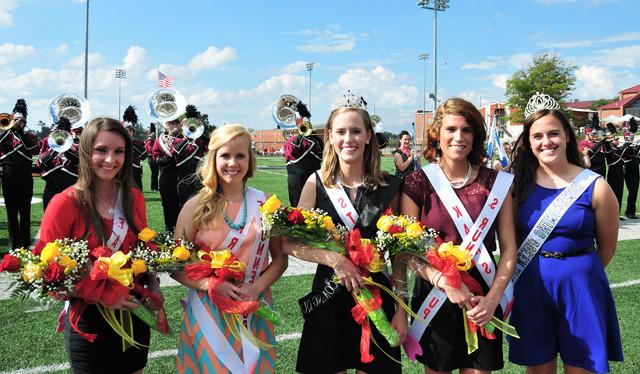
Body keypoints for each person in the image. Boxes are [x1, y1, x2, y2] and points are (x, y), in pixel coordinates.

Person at [282, 92, 403, 373]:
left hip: (377, 293)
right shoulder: (316, 183)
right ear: (330, 138)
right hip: (328, 294)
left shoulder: (390, 187)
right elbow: (289, 243)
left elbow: (400, 256)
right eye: (341, 132)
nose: (348, 139)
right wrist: (334, 259)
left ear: (369, 136)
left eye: (356, 131)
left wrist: (401, 310)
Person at [399, 97, 517, 373]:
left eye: (466, 130)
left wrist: (492, 298)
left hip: (483, 293)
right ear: (436, 134)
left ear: (475, 136)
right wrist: (444, 282)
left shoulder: (496, 183)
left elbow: (509, 247)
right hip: (436, 292)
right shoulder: (417, 183)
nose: (458, 137)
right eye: (451, 129)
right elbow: (406, 251)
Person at [35, 117, 162, 373]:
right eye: (101, 150)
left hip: (133, 309)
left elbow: (142, 249)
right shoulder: (64, 203)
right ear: (85, 151)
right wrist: (101, 294)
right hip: (88, 322)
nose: (110, 159)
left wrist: (154, 284)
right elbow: (46, 275)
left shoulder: (134, 197)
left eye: (119, 151)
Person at [508, 94, 623, 373]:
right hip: (531, 286)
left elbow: (607, 249)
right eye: (538, 136)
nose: (546, 142)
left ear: (567, 137)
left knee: (582, 367)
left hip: (581, 285)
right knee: (539, 368)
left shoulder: (595, 185)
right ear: (528, 142)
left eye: (553, 134)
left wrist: (574, 270)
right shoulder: (517, 185)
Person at [172, 124, 287, 373]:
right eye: (225, 155)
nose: (232, 163)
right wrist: (210, 284)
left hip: (254, 305)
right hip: (209, 310)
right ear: (213, 158)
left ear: (250, 159)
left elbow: (280, 259)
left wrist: (256, 288)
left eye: (240, 155)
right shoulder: (195, 206)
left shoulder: (267, 203)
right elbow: (175, 265)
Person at [0, 99, 39, 249]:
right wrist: (9, 129)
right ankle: (13, 243)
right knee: (11, 213)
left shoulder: (29, 137)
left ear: (25, 122)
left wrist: (20, 132)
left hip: (25, 179)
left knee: (25, 212)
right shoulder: (5, 136)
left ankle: (24, 242)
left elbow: (35, 150)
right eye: (15, 120)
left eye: (20, 121)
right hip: (8, 178)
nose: (17, 123)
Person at [36, 117, 79, 210]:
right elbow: (40, 164)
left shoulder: (75, 145)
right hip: (52, 184)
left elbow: (78, 162)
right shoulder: (47, 142)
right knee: (49, 214)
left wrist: (68, 147)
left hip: (71, 185)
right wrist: (54, 150)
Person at [174, 105, 209, 210]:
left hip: (198, 176)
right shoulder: (177, 141)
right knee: (183, 203)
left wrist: (199, 131)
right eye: (186, 124)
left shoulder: (200, 140)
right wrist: (186, 138)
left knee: (199, 203)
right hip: (183, 176)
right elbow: (175, 152)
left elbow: (209, 147)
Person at [151, 119, 181, 231]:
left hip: (182, 175)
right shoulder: (160, 140)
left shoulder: (186, 138)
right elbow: (155, 155)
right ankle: (168, 227)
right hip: (167, 174)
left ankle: (182, 227)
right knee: (167, 202)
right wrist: (162, 161)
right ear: (166, 125)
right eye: (170, 123)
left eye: (175, 123)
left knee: (182, 203)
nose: (173, 125)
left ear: (180, 125)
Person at [123, 105, 147, 191]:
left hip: (135, 172)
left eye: (130, 131)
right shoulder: (118, 144)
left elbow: (144, 155)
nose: (128, 132)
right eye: (126, 131)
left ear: (133, 132)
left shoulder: (137, 144)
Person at [622, 131, 639, 219]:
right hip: (628, 169)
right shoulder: (625, 146)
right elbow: (629, 155)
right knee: (632, 191)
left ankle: (631, 211)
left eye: (632, 137)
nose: (631, 139)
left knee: (634, 191)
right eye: (629, 137)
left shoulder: (632, 146)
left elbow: (637, 158)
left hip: (635, 170)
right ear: (625, 138)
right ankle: (629, 212)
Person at [145, 123, 159, 191]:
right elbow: (151, 150)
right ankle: (153, 188)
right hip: (151, 157)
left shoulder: (153, 141)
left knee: (156, 173)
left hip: (154, 157)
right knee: (154, 173)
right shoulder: (149, 142)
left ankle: (156, 187)